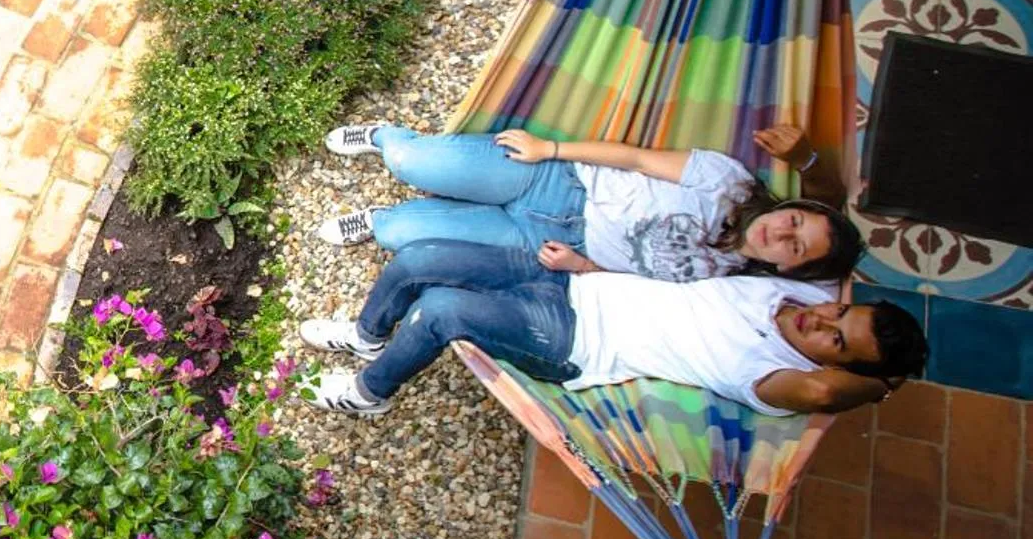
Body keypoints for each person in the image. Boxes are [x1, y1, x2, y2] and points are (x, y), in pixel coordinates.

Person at [296, 238, 927, 418]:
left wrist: (884, 387)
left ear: (838, 368)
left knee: (438, 308)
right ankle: (369, 333)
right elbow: (830, 233)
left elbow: (823, 396)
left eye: (835, 340)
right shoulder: (800, 292)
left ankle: (368, 393)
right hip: (574, 281)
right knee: (417, 261)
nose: (823, 319)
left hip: (575, 342)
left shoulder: (775, 379)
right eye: (841, 313)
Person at [313, 121, 862, 285]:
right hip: (560, 184)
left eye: (796, 247)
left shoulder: (733, 284)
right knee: (411, 164)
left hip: (553, 246)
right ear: (792, 205)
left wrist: (586, 266)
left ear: (791, 268)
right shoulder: (731, 183)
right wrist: (548, 148)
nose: (783, 233)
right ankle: (388, 136)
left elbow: (645, 294)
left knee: (396, 236)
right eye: (795, 220)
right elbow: (638, 160)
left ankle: (383, 218)